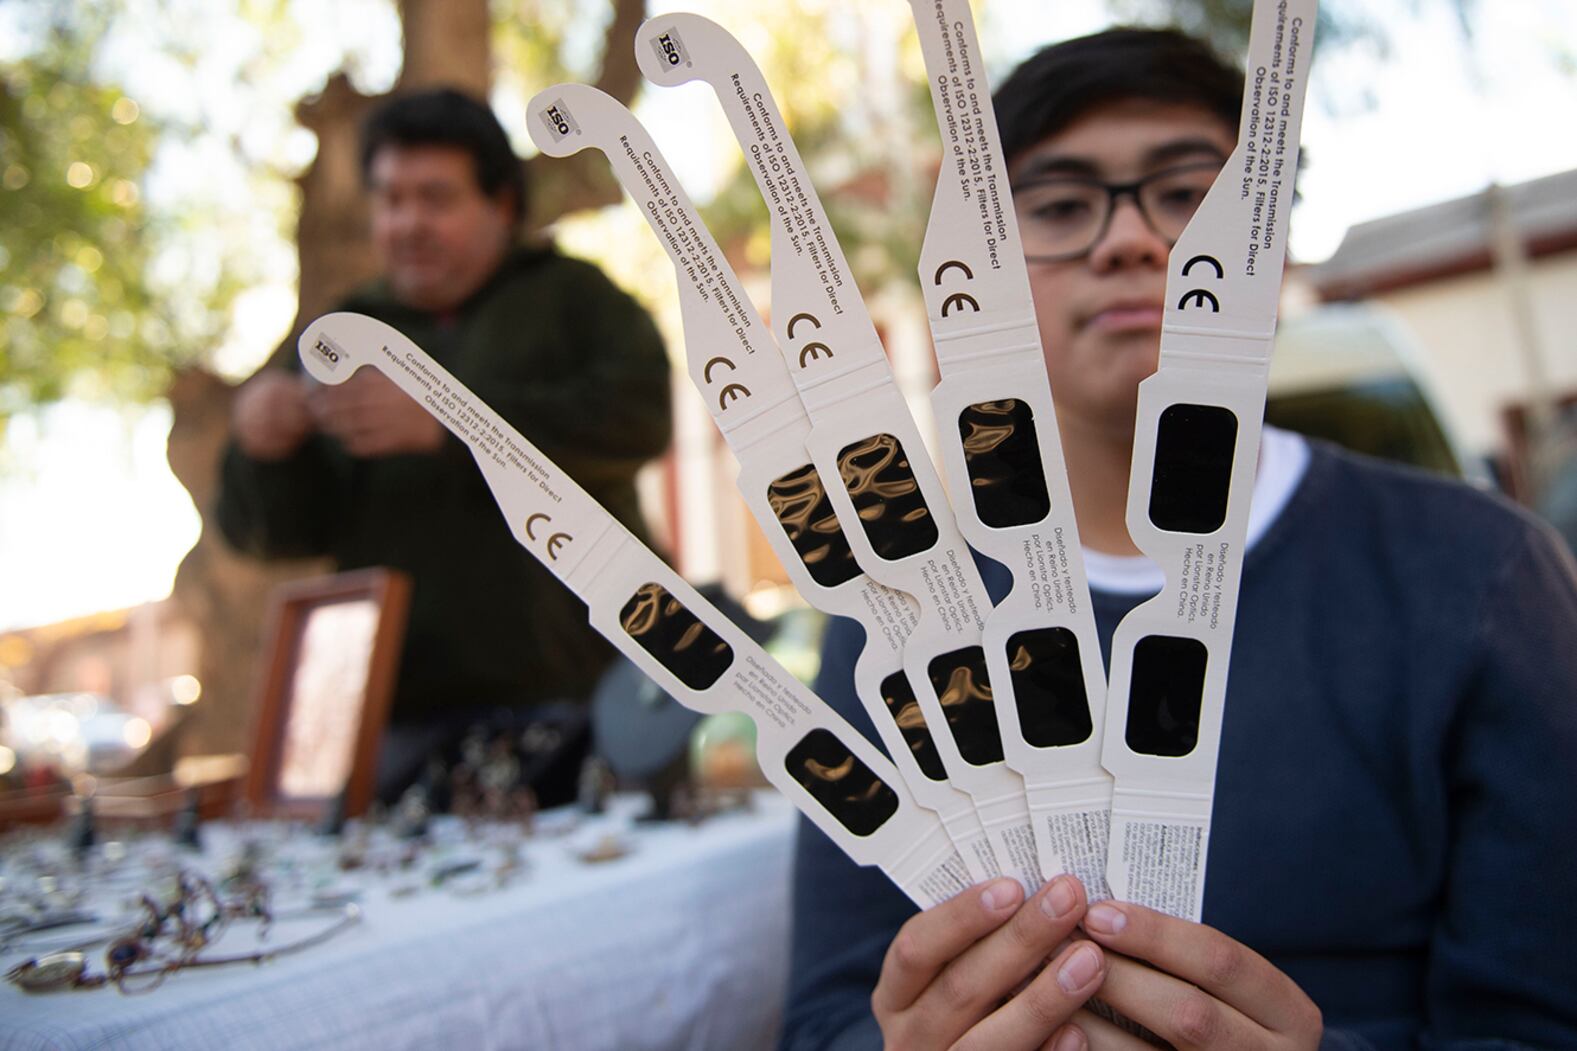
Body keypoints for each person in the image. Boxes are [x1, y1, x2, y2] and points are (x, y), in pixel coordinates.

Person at [782, 28, 1577, 1051]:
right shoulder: (897, 607)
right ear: (971, 273)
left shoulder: (1479, 574)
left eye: (1188, 193)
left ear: (1274, 243)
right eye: (1059, 206)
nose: (1127, 242)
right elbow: (824, 1014)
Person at [217, 88, 673, 798]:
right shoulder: (344, 331)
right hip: (400, 726)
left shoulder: (575, 297)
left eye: (436, 198)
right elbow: (275, 534)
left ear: (502, 205)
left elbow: (641, 417)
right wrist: (261, 448)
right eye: (390, 198)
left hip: (591, 697)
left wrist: (454, 423)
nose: (406, 223)